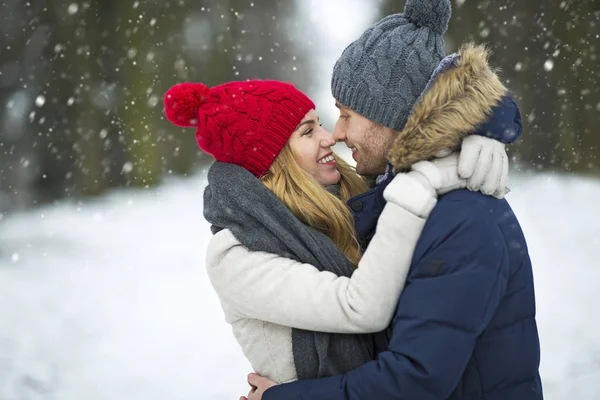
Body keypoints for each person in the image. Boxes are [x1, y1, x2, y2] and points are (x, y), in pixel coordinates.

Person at [244, 0, 543, 399]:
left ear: (392, 114)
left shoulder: (461, 217)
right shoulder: (407, 197)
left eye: (347, 113)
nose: (337, 133)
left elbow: (413, 381)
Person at [163, 79, 511, 386]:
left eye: (320, 124)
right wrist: (418, 189)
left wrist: (481, 134)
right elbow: (360, 306)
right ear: (272, 163)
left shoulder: (350, 202)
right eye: (308, 131)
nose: (329, 138)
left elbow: (429, 98)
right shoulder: (235, 257)